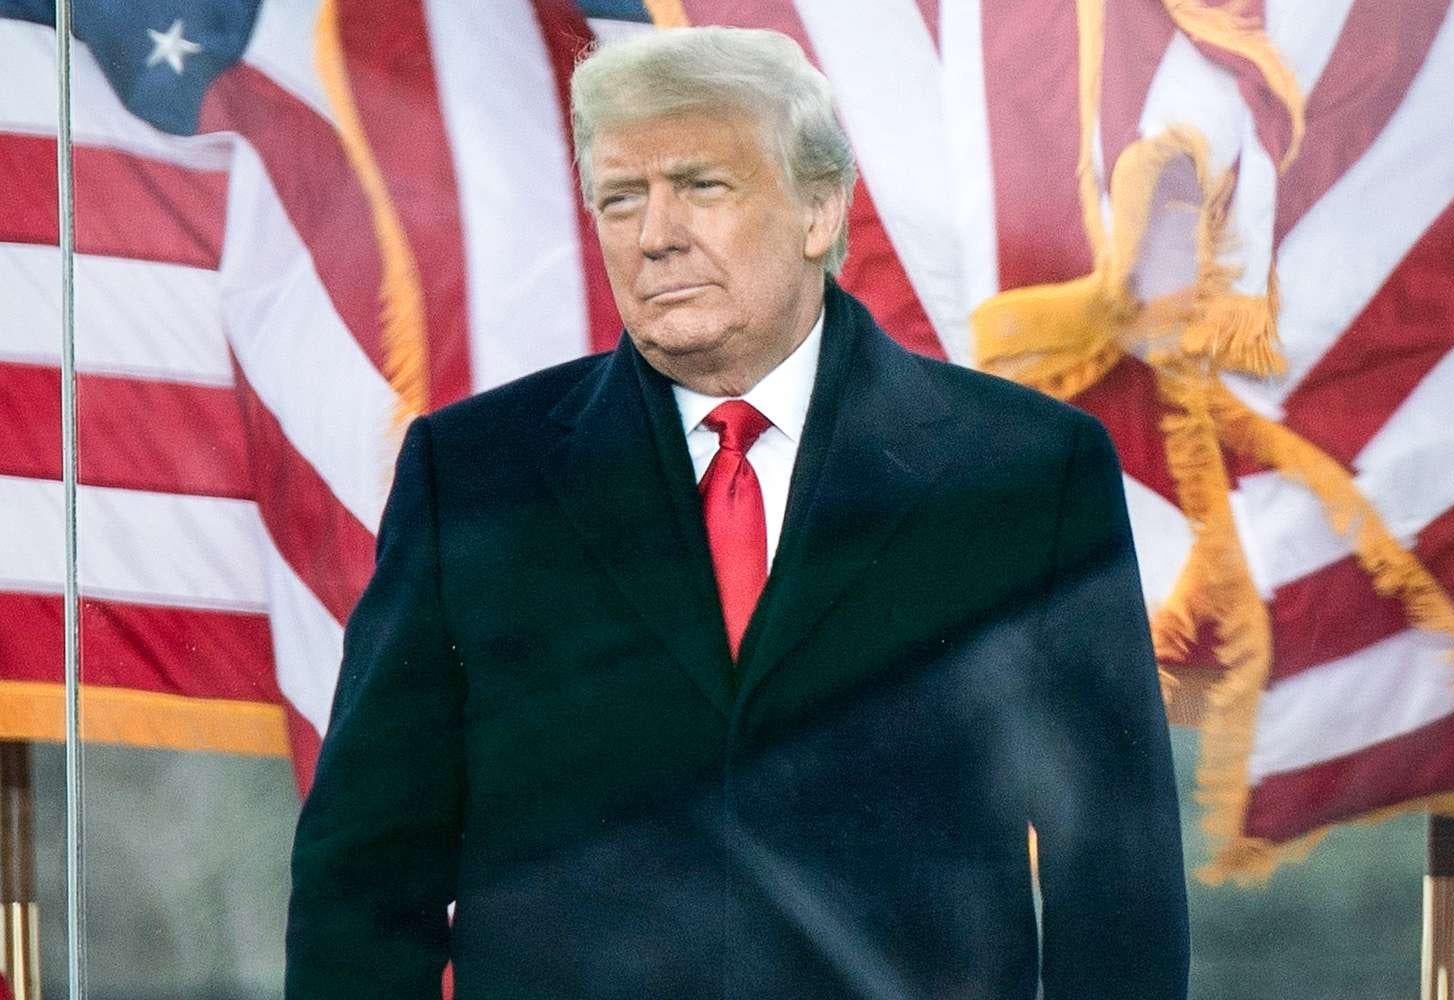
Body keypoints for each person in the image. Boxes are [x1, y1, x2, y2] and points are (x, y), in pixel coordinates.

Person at [285, 26, 1188, 1000]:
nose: (655, 234)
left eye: (701, 186)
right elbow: (366, 877)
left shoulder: (1026, 474)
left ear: (818, 208)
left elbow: (1117, 884)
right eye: (621, 198)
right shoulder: (471, 476)